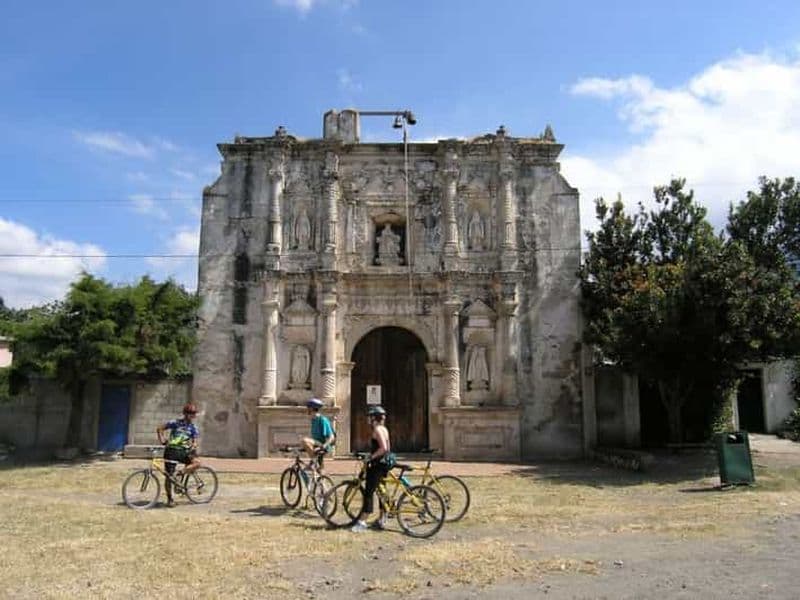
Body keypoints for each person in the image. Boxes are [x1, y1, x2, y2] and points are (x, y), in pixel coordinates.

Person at [351, 405, 392, 532]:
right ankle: (381, 518)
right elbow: (388, 449)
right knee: (382, 491)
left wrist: (371, 457)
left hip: (376, 465)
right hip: (383, 464)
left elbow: (383, 448)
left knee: (369, 492)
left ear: (374, 418)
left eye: (370, 417)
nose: (368, 419)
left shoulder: (377, 430)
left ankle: (363, 521)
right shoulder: (384, 429)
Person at [156, 402, 201, 508]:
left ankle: (178, 475)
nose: (193, 415)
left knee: (196, 463)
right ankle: (170, 499)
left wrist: (193, 446)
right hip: (172, 451)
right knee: (168, 476)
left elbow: (194, 441)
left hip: (182, 452)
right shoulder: (175, 422)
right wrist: (162, 440)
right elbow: (160, 428)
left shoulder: (193, 427)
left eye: (194, 413)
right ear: (185, 413)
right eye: (191, 413)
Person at [301, 398, 335, 464]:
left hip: (323, 445)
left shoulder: (323, 420)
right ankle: (316, 467)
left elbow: (331, 437)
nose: (307, 410)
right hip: (317, 444)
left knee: (304, 440)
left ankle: (314, 462)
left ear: (312, 409)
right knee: (319, 471)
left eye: (308, 408)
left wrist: (324, 446)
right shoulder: (313, 420)